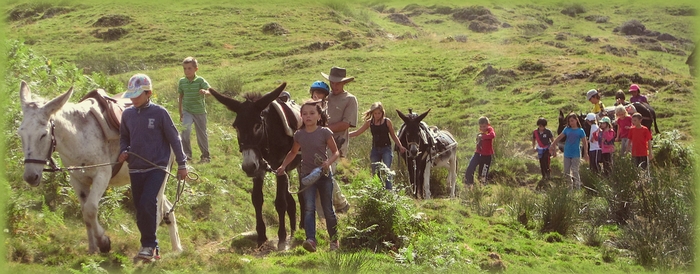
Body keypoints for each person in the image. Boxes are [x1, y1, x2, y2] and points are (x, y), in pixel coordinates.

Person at [118, 74, 188, 261]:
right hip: (135, 168)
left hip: (156, 167)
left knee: (149, 201)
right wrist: (124, 150)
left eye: (137, 94)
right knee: (140, 207)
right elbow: (124, 137)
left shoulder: (160, 113)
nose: (133, 98)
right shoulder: (127, 115)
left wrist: (182, 164)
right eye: (131, 94)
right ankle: (150, 247)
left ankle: (149, 246)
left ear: (148, 93)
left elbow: (174, 138)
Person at [276, 100, 340, 252]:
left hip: (324, 176)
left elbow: (336, 152)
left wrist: (328, 163)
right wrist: (283, 166)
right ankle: (311, 240)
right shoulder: (299, 135)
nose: (308, 116)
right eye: (304, 114)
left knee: (328, 209)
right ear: (301, 116)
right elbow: (293, 152)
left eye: (312, 113)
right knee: (309, 208)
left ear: (319, 116)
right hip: (306, 176)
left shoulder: (325, 132)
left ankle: (334, 240)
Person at [349, 102, 406, 189]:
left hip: (386, 149)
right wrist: (345, 135)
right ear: (372, 113)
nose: (377, 115)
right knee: (375, 172)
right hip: (375, 149)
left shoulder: (387, 122)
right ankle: (377, 190)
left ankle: (389, 191)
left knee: (387, 171)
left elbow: (393, 135)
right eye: (375, 113)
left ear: (382, 112)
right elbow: (357, 132)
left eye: (379, 113)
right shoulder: (369, 123)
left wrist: (400, 146)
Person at [322, 66, 356, 213]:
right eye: (332, 83)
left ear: (344, 83)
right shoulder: (325, 97)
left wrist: (323, 128)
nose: (334, 86)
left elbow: (346, 124)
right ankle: (338, 205)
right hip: (320, 142)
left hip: (337, 143)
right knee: (323, 172)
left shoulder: (350, 99)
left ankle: (339, 204)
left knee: (327, 172)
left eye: (337, 83)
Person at [178, 57, 212, 163]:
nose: (187, 71)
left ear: (195, 69)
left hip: (200, 112)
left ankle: (205, 156)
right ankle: (187, 154)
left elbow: (210, 90)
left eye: (189, 68)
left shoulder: (200, 80)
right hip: (187, 111)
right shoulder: (182, 81)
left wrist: (205, 92)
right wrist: (181, 112)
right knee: (185, 131)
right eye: (185, 69)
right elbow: (180, 97)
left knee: (201, 134)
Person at [550, 113, 589, 189]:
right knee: (566, 172)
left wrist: (586, 153)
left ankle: (577, 188)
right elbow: (559, 137)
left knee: (575, 171)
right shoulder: (567, 129)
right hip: (567, 153)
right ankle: (569, 188)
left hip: (576, 153)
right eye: (569, 121)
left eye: (572, 121)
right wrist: (553, 144)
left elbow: (585, 142)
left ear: (576, 120)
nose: (571, 123)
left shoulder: (580, 131)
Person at [464, 116, 495, 186]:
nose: (482, 128)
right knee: (470, 168)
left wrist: (483, 137)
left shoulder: (490, 130)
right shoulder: (480, 132)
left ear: (488, 125)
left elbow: (492, 135)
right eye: (481, 126)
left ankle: (482, 189)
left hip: (486, 156)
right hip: (478, 154)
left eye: (484, 126)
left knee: (483, 174)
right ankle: (469, 185)